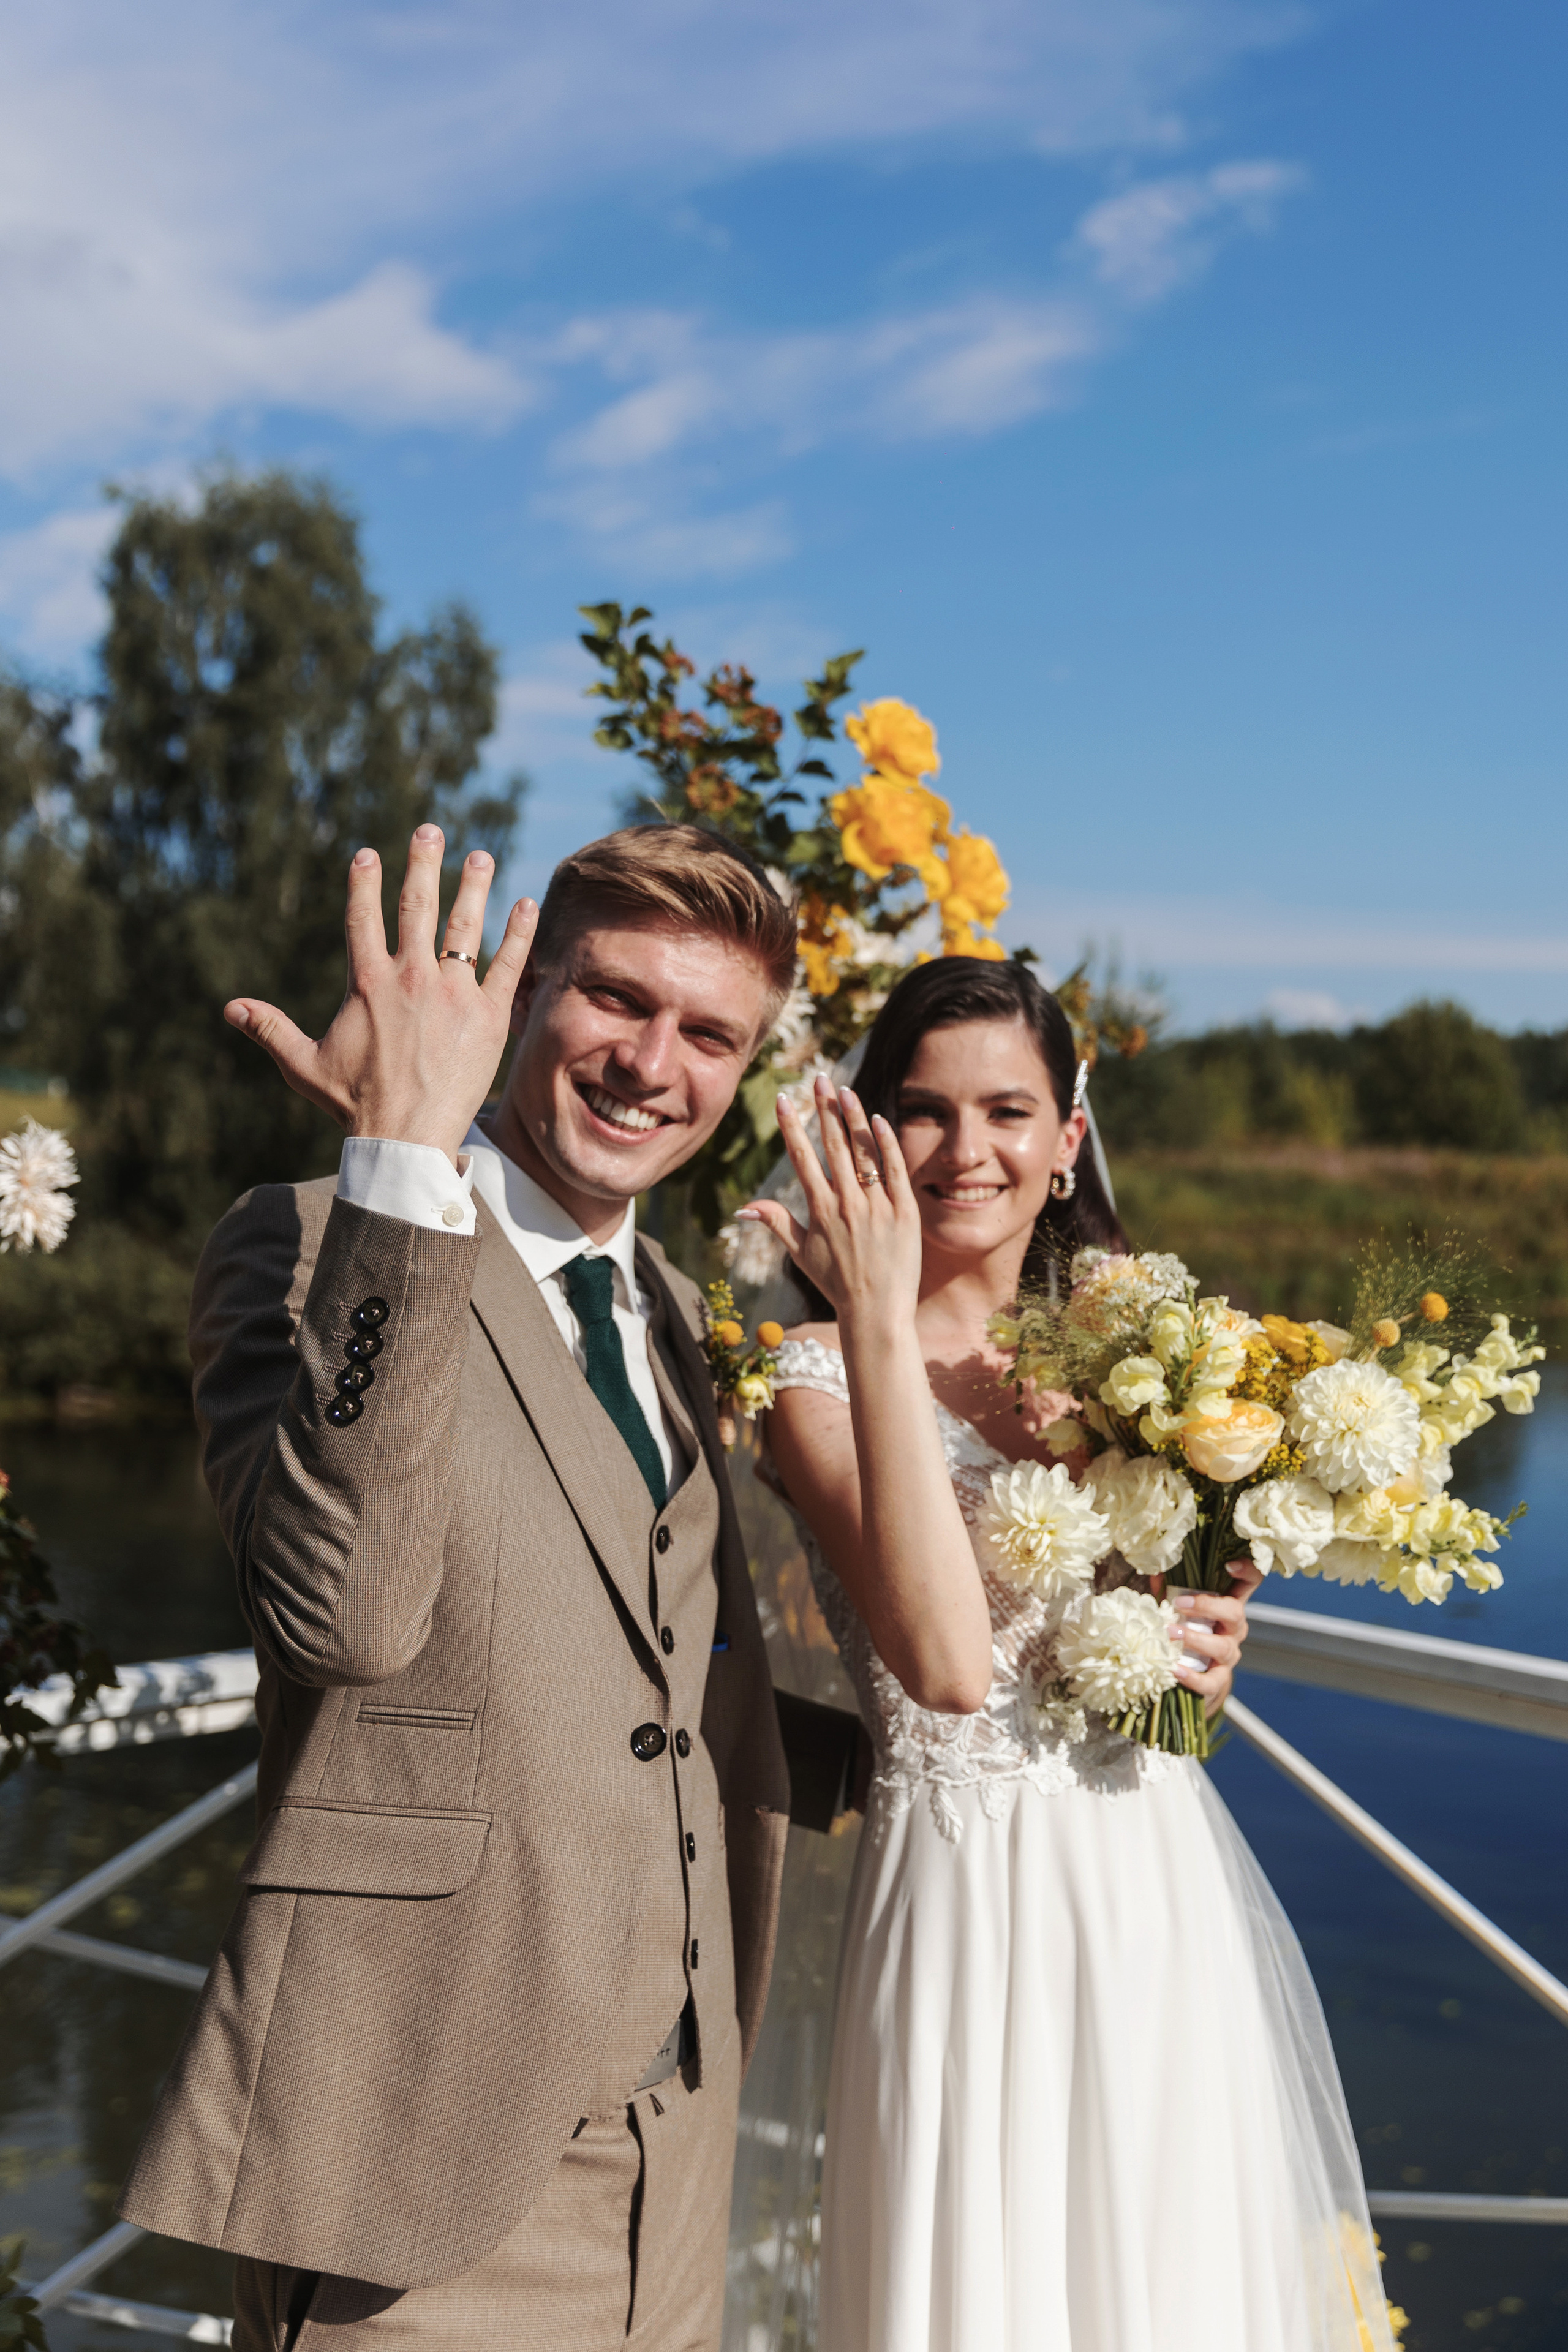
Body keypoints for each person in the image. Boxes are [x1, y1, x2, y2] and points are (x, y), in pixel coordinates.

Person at [116, 822, 862, 2352]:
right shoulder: (307, 1245)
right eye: (614, 999)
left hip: (673, 2150)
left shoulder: (665, 1309)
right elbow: (341, 1615)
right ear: (521, 999)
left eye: (708, 1033)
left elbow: (663, 1663)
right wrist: (397, 1168)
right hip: (418, 2156)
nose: (654, 1062)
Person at [742, 956, 1395, 2352]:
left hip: (1157, 1883)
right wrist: (869, 1314)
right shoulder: (808, 1384)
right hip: (972, 1898)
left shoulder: (1144, 1349)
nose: (964, 1151)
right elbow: (947, 1663)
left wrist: (1215, 1637)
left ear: (1065, 1143)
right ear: (866, 1134)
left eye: (1006, 1112)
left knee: (1175, 2285)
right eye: (921, 1112)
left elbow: (1183, 1604)